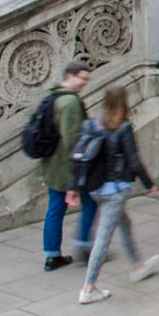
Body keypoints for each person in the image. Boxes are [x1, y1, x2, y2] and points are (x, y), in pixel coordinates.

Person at [67, 83, 159, 304]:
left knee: (124, 223)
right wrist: (150, 184)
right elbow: (134, 160)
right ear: (124, 102)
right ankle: (88, 288)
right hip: (115, 190)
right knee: (103, 237)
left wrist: (73, 188)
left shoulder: (91, 124)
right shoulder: (123, 127)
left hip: (95, 188)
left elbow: (78, 156)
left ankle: (137, 265)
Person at [39, 60, 99, 272]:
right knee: (90, 202)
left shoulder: (53, 96)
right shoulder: (70, 103)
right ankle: (83, 244)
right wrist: (75, 179)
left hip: (52, 166)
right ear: (70, 76)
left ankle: (51, 254)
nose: (85, 83)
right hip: (68, 169)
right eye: (82, 78)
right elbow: (73, 142)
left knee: (55, 208)